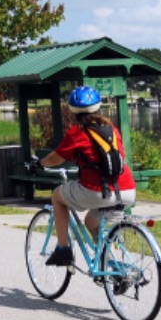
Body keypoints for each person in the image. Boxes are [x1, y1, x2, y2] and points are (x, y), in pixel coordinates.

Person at [34, 85, 136, 266]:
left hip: (96, 191)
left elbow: (56, 159)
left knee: (57, 197)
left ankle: (63, 249)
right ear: (98, 106)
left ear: (72, 109)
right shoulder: (111, 128)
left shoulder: (77, 132)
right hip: (126, 190)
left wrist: (39, 163)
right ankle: (115, 267)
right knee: (92, 221)